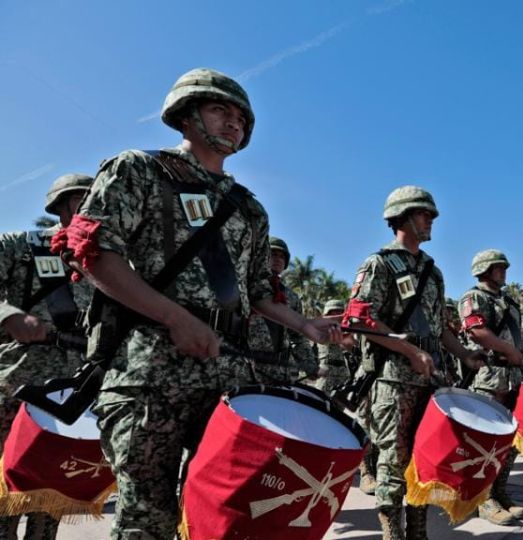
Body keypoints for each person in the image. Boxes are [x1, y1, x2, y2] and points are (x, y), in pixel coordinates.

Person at [51, 68, 344, 539]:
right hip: (149, 371)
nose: (234, 124)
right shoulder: (138, 170)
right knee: (146, 515)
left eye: (241, 118)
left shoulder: (249, 207)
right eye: (219, 110)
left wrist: (304, 324)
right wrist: (176, 318)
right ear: (186, 117)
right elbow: (93, 252)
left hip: (228, 374)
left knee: (226, 509)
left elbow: (257, 292)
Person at [342, 185, 479, 539]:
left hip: (429, 380)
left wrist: (463, 354)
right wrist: (410, 351)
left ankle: (418, 532)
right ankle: (393, 534)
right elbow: (358, 320)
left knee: (424, 459)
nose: (431, 220)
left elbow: (441, 329)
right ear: (401, 217)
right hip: (392, 380)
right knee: (392, 462)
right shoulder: (379, 264)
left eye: (431, 214)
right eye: (423, 213)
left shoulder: (432, 272)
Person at [0, 173, 95, 539]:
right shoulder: (21, 247)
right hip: (17, 383)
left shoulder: (107, 265)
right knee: (8, 480)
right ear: (63, 206)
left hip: (74, 393)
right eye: (85, 199)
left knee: (53, 485)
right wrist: (8, 314)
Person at [458, 249, 523, 526]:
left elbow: (520, 341)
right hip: (489, 377)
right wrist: (508, 351)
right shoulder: (473, 297)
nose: (504, 271)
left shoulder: (510, 302)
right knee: (486, 441)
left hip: (513, 378)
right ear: (485, 269)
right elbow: (476, 331)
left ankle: (500, 491)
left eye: (503, 266)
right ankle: (483, 499)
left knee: (509, 441)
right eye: (498, 267)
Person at [245, 236, 320, 384]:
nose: (278, 259)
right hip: (247, 366)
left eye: (282, 256)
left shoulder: (291, 297)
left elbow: (298, 337)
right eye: (273, 254)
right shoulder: (246, 285)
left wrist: (310, 365)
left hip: (279, 372)